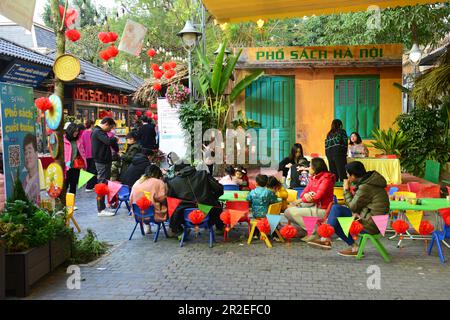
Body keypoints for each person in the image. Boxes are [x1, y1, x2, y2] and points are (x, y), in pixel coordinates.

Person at [308, 161, 389, 256]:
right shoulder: (369, 183)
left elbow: (352, 206)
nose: (347, 177)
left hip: (371, 225)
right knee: (336, 212)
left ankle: (326, 238)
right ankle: (351, 247)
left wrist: (346, 190)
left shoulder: (366, 187)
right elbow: (362, 205)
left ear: (353, 175)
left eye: (347, 174)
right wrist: (356, 212)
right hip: (371, 220)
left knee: (336, 210)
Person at [284, 158, 335, 240]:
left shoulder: (326, 179)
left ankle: (314, 232)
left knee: (290, 211)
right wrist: (307, 195)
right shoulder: (312, 178)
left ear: (315, 168)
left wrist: (302, 200)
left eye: (310, 166)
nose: (308, 168)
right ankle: (306, 231)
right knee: (288, 212)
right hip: (311, 206)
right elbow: (304, 193)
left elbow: (317, 197)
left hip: (322, 210)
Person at [167, 165, 224, 237]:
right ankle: (219, 227)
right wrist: (213, 198)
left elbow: (171, 200)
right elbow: (219, 188)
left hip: (185, 216)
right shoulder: (203, 174)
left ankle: (179, 231)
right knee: (217, 206)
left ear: (177, 171)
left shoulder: (173, 182)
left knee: (175, 212)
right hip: (210, 212)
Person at [91, 117, 118, 216]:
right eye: (110, 128)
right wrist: (114, 138)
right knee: (101, 184)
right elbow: (109, 141)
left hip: (104, 161)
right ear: (106, 124)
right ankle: (101, 209)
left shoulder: (99, 131)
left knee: (104, 183)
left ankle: (103, 207)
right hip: (101, 161)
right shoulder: (98, 132)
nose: (110, 130)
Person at [130, 165, 168, 234]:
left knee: (146, 203)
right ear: (157, 174)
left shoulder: (138, 181)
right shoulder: (158, 182)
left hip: (137, 213)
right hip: (154, 214)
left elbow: (131, 199)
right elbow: (162, 199)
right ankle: (173, 229)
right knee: (172, 206)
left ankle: (147, 225)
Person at [64, 123, 87, 196]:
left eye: (77, 131)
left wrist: (84, 164)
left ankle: (71, 203)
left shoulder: (78, 140)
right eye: (75, 131)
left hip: (75, 166)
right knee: (65, 185)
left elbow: (82, 152)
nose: (76, 133)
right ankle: (63, 203)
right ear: (70, 131)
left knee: (73, 185)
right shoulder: (63, 140)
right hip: (66, 167)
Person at [22, 134, 40, 203]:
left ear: (36, 154)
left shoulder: (38, 180)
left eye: (29, 152)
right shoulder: (23, 182)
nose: (27, 156)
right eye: (25, 153)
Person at [80, 119, 97, 191]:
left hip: (86, 155)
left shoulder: (83, 133)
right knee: (93, 170)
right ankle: (90, 186)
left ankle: (90, 185)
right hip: (93, 154)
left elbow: (81, 144)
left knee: (88, 170)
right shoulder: (93, 133)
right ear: (92, 125)